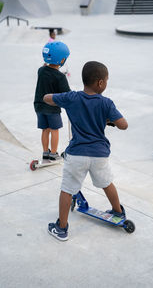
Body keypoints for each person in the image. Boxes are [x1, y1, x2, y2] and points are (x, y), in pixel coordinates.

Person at [43, 61, 128, 241]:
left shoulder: (72, 98)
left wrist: (60, 96)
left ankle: (62, 228)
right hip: (99, 155)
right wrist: (107, 120)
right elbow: (123, 125)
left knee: (67, 189)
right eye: (106, 80)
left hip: (77, 154)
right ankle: (118, 212)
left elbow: (46, 98)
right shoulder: (106, 102)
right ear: (100, 83)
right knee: (106, 183)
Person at [34, 41, 70, 161]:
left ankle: (45, 152)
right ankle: (54, 154)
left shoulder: (41, 70)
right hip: (52, 108)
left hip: (39, 106)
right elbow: (67, 94)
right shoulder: (60, 77)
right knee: (54, 130)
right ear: (61, 60)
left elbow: (46, 70)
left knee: (45, 129)